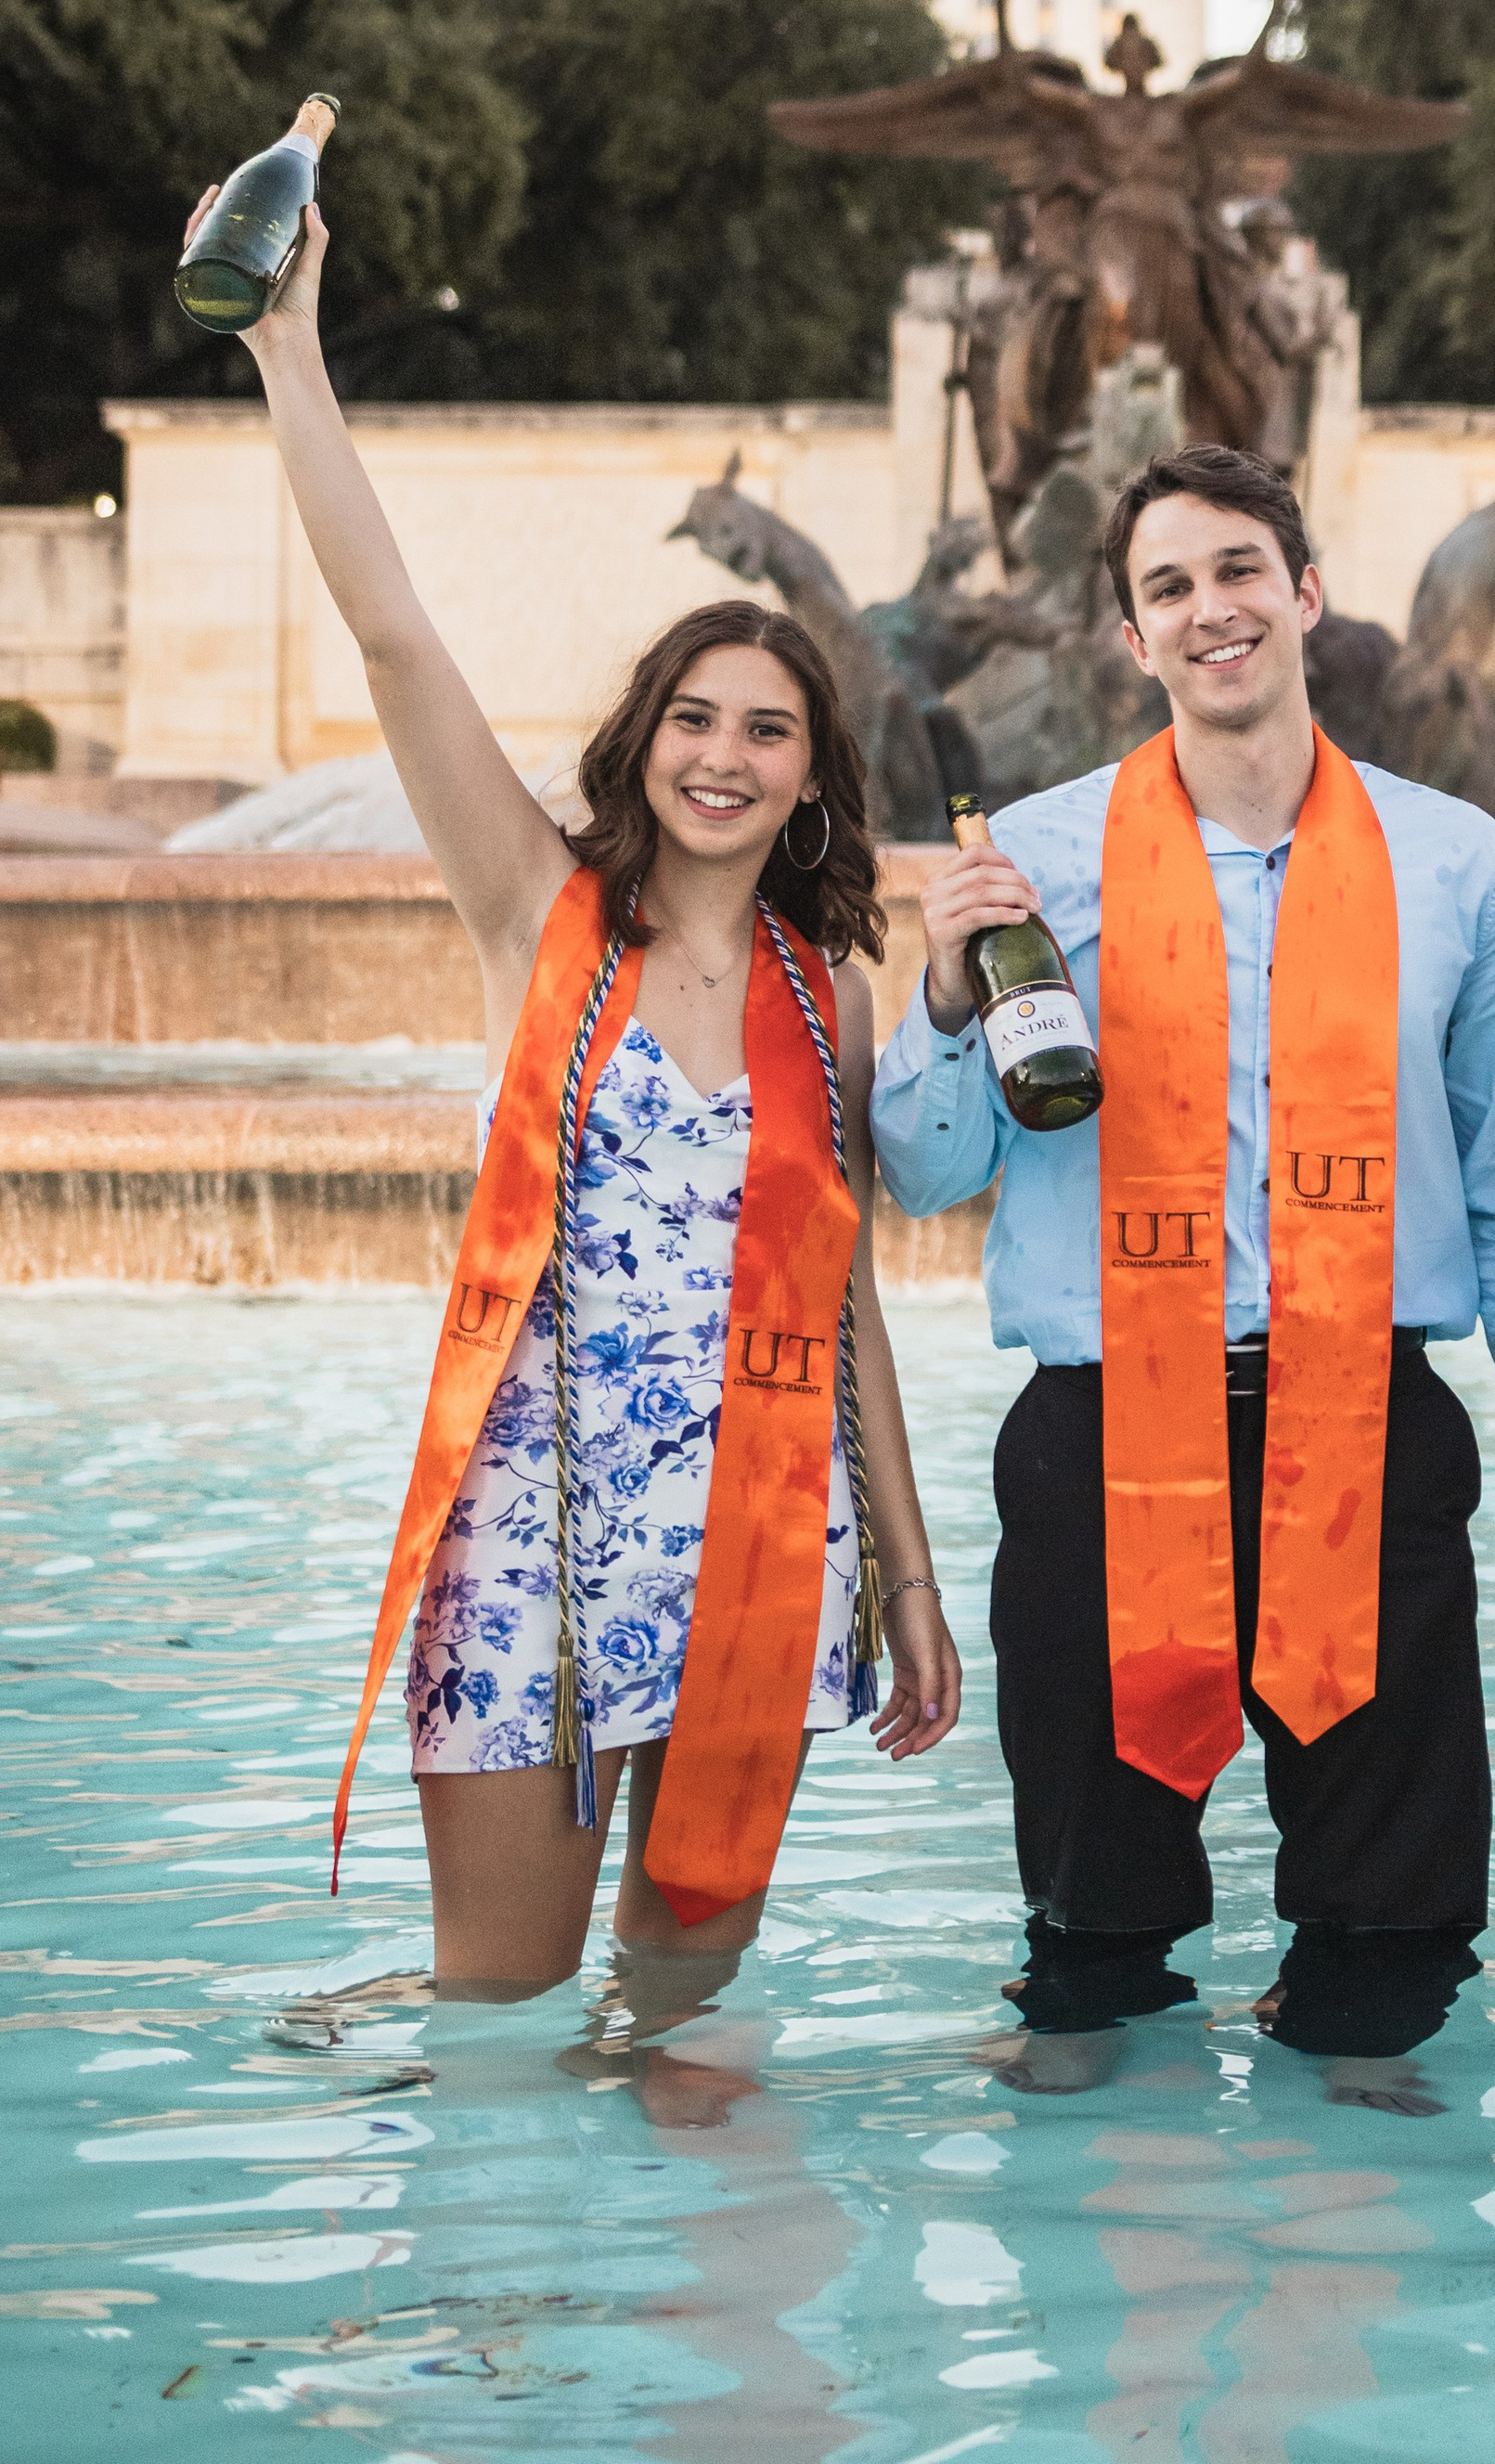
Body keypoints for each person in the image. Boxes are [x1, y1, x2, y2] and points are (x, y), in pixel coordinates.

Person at [202, 188, 960, 2058]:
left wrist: (914, 1571)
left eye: (766, 730)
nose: (722, 753)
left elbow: (845, 1298)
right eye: (692, 717)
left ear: (808, 779)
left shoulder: (822, 997)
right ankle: (479, 2291)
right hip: (535, 1532)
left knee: (682, 2016)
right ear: (645, 742)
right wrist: (287, 352)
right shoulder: (537, 913)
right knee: (507, 2004)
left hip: (755, 1540)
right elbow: (394, 651)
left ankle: (656, 2342)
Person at [871, 443, 1495, 2115]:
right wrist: (945, 997)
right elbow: (925, 1173)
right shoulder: (1035, 861)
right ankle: (1110, 2315)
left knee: (1389, 1963)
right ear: (1132, 636)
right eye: (1170, 587)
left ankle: (1365, 2302)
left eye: (1239, 572)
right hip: (1103, 1444)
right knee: (1089, 1967)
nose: (1212, 611)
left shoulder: (1456, 860)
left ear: (1306, 592)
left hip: (1370, 1430)